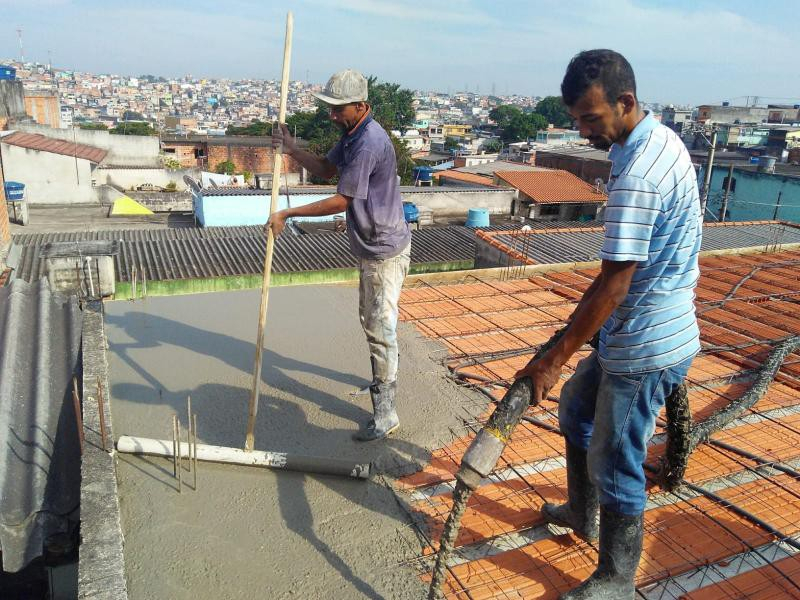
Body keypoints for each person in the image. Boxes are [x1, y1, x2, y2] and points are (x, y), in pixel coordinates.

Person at [515, 50, 702, 599]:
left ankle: (617, 578)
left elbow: (615, 282)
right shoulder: (649, 140)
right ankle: (580, 510)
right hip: (632, 331)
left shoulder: (638, 173)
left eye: (591, 119)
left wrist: (553, 356)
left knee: (615, 456)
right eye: (576, 120)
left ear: (626, 102)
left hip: (647, 341)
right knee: (576, 409)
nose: (584, 131)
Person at [268, 69, 412, 442]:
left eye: (338, 109)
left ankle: (386, 413)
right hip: (373, 244)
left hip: (383, 251)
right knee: (373, 321)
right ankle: (385, 375)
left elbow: (342, 200)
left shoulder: (368, 143)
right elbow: (324, 168)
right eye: (330, 109)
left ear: (362, 106)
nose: (332, 116)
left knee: (379, 328)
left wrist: (288, 212)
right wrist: (291, 148)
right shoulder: (352, 135)